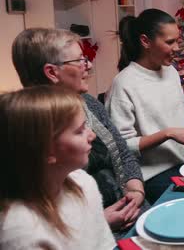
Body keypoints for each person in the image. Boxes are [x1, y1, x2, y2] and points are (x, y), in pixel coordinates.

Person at [11, 28, 146, 238]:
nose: (89, 65)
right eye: (81, 60)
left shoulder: (90, 104)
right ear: (52, 72)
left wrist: (136, 190)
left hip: (130, 208)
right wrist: (100, 220)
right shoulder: (28, 126)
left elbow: (123, 154)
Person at [106, 8, 184, 204]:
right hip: (154, 176)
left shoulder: (169, 72)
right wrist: (167, 134)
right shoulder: (124, 83)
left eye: (177, 40)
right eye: (170, 42)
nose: (177, 47)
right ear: (145, 41)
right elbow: (121, 146)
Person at [0, 86, 116, 249]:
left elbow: (105, 244)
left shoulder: (84, 182)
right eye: (79, 131)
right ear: (46, 150)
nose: (92, 136)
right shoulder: (20, 230)